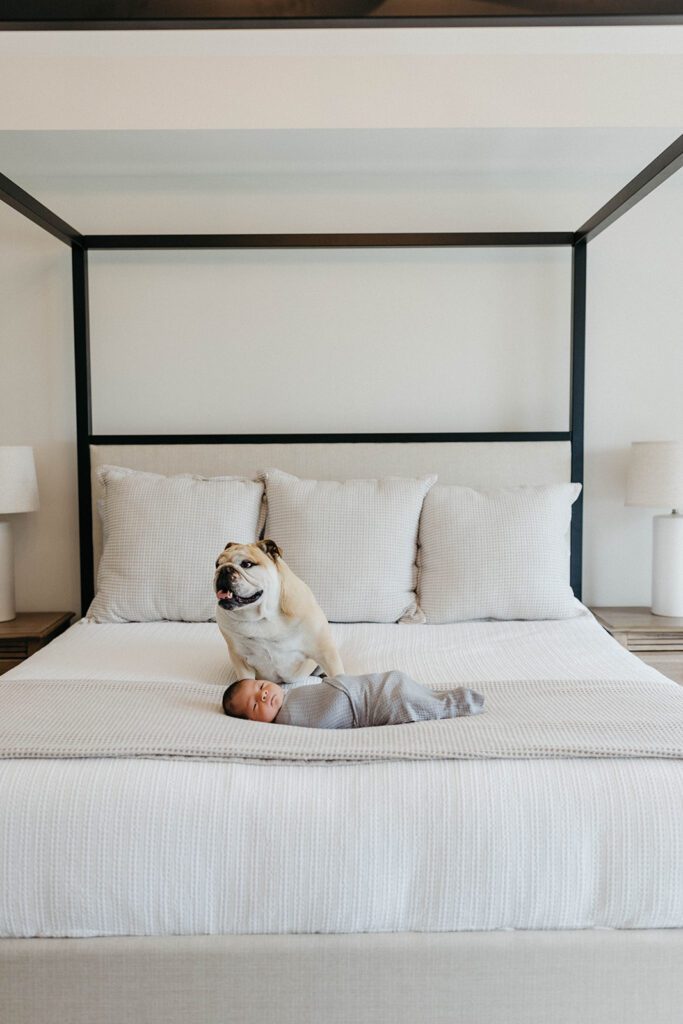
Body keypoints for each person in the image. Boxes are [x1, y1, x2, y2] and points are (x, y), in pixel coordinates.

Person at [222, 671, 483, 728]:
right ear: (254, 722)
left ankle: (442, 698)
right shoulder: (289, 720)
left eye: (259, 686)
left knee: (402, 684)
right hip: (367, 705)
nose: (264, 693)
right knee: (405, 702)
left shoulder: (290, 693)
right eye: (255, 704)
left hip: (368, 687)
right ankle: (455, 704)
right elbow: (327, 716)